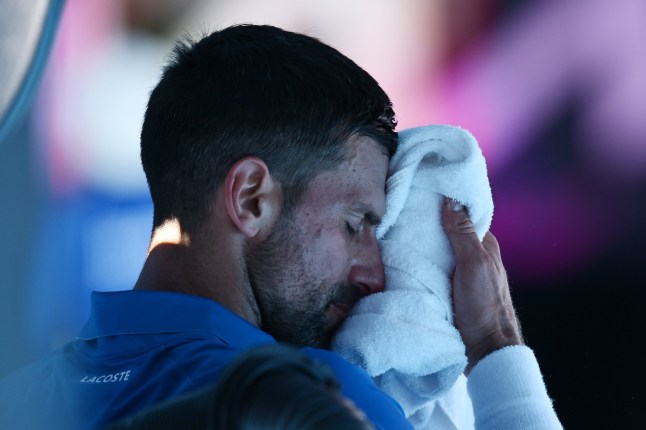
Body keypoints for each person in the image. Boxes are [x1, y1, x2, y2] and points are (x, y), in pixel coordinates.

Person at [0, 24, 560, 429]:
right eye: (355, 224)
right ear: (250, 199)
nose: (373, 273)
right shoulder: (319, 404)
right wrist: (493, 344)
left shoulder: (16, 399)